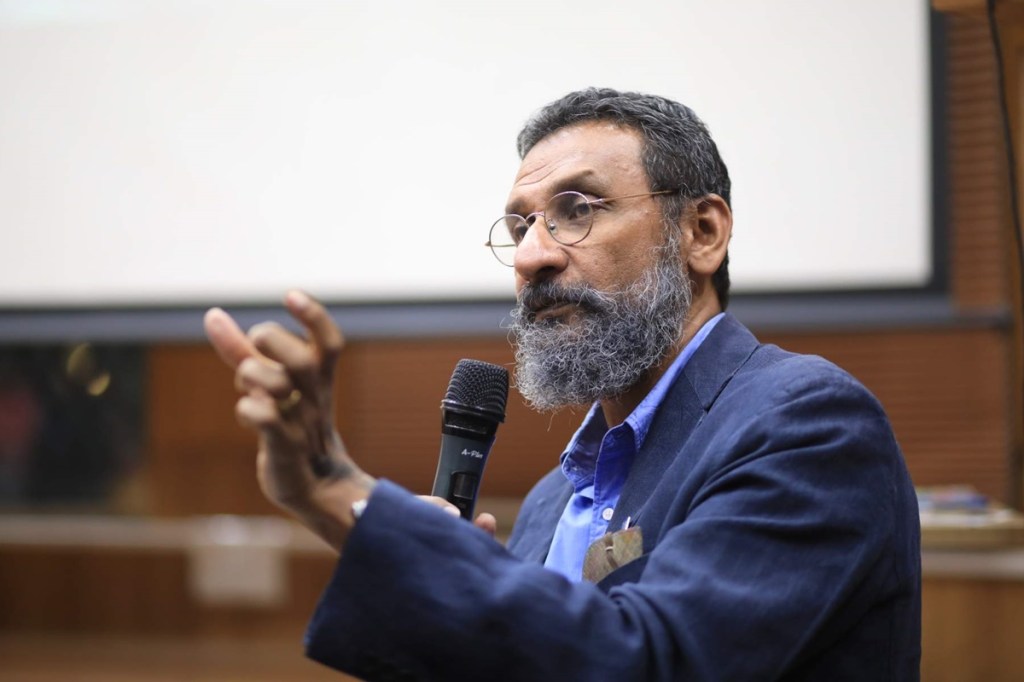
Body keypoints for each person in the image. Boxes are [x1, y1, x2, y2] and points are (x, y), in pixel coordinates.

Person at [204, 88, 921, 681]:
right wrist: (444, 582)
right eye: (520, 226)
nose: (531, 256)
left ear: (701, 232)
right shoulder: (552, 502)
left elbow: (651, 662)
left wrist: (337, 493)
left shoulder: (806, 423)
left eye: (577, 209)